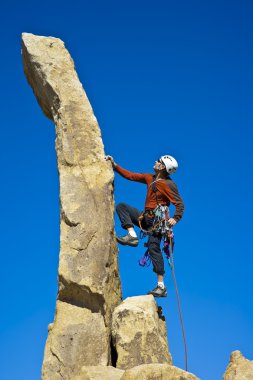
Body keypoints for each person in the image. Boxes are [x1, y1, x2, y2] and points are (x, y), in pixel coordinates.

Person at [105, 155, 184, 297]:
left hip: (157, 222)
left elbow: (179, 204)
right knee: (122, 207)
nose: (155, 161)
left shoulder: (168, 184)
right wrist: (114, 165)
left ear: (163, 167)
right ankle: (132, 235)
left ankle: (161, 286)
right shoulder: (150, 178)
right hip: (146, 217)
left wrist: (175, 218)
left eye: (158, 161)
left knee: (154, 248)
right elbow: (131, 176)